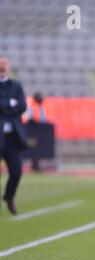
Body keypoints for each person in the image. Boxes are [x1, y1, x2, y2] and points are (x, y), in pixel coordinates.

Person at [0, 55, 28, 215]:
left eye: (4, 64)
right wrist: (10, 103)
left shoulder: (16, 85)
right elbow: (6, 104)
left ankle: (9, 197)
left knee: (16, 171)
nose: (2, 67)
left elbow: (22, 105)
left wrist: (6, 106)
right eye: (0, 64)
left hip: (12, 137)